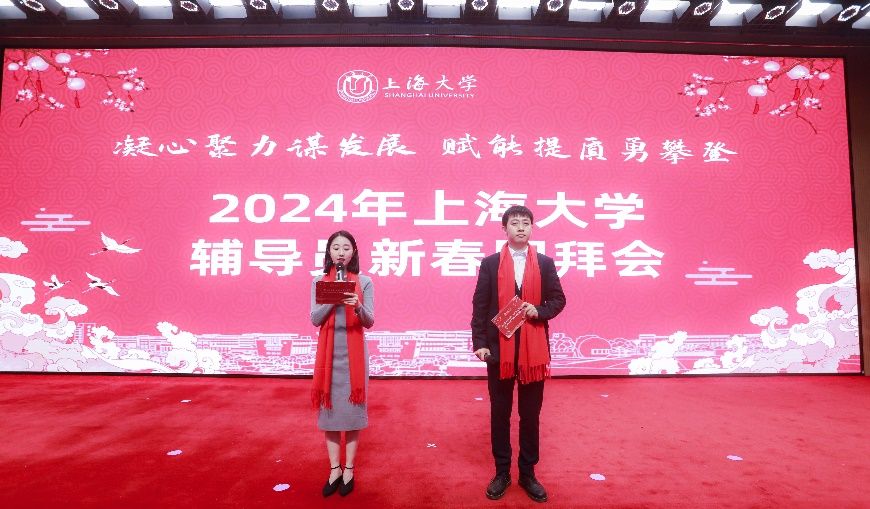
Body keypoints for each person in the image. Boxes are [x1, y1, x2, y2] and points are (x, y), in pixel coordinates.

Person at [471, 205, 566, 503]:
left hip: (533, 354)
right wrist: (479, 343)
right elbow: (480, 306)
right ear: (505, 229)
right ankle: (502, 472)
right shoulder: (490, 264)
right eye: (515, 223)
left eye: (526, 223)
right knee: (500, 414)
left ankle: (527, 473)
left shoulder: (545, 263)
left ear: (532, 228)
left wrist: (539, 310)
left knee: (530, 415)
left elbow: (558, 300)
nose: (521, 227)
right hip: (498, 351)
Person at [310, 230, 375, 497]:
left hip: (354, 358)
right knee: (330, 414)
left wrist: (357, 305)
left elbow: (369, 321)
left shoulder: (365, 281)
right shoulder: (319, 281)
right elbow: (315, 319)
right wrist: (333, 298)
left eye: (346, 248)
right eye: (336, 247)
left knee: (351, 414)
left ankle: (349, 468)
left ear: (353, 253)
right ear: (329, 252)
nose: (340, 252)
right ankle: (334, 468)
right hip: (328, 357)